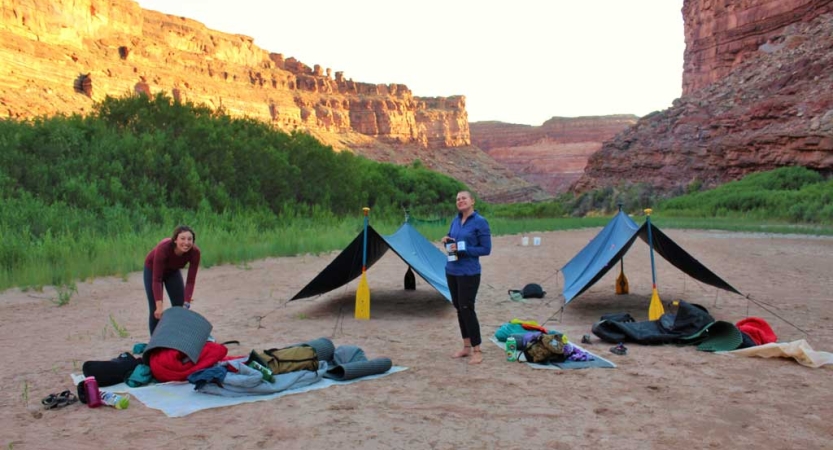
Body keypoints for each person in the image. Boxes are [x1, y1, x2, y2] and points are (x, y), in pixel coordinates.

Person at [441, 190, 492, 365]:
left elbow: (486, 249)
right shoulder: (455, 220)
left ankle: (477, 350)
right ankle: (466, 346)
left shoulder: (480, 222)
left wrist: (464, 250)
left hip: (469, 272)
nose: (460, 201)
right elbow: (453, 240)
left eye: (463, 198)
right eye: (457, 199)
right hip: (452, 270)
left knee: (467, 308)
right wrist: (447, 240)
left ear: (472, 201)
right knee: (459, 308)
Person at [143, 225, 201, 336]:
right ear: (175, 240)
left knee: (180, 307)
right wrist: (159, 306)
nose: (186, 242)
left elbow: (190, 280)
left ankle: (177, 339)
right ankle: (154, 343)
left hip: (173, 271)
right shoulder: (164, 247)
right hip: (153, 271)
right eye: (182, 238)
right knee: (156, 309)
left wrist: (187, 302)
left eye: (190, 239)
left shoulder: (195, 253)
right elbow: (157, 279)